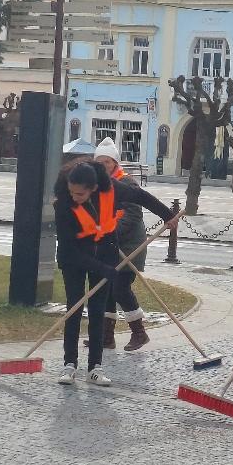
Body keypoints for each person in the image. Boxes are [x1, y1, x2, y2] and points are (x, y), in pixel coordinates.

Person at [53, 159, 176, 385]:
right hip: (75, 258)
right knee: (74, 307)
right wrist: (103, 269)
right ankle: (69, 364)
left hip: (104, 251)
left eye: (80, 194)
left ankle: (95, 368)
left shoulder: (111, 189)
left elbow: (140, 196)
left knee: (99, 311)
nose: (75, 197)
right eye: (72, 192)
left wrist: (167, 215)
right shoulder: (64, 202)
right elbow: (69, 249)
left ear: (93, 189)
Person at [90, 137, 148, 350]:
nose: (104, 166)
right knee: (105, 287)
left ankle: (139, 333)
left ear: (115, 163)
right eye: (100, 162)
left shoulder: (126, 183)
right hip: (110, 245)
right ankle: (106, 336)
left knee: (120, 288)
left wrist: (110, 233)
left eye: (107, 162)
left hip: (130, 245)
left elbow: (132, 215)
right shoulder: (97, 184)